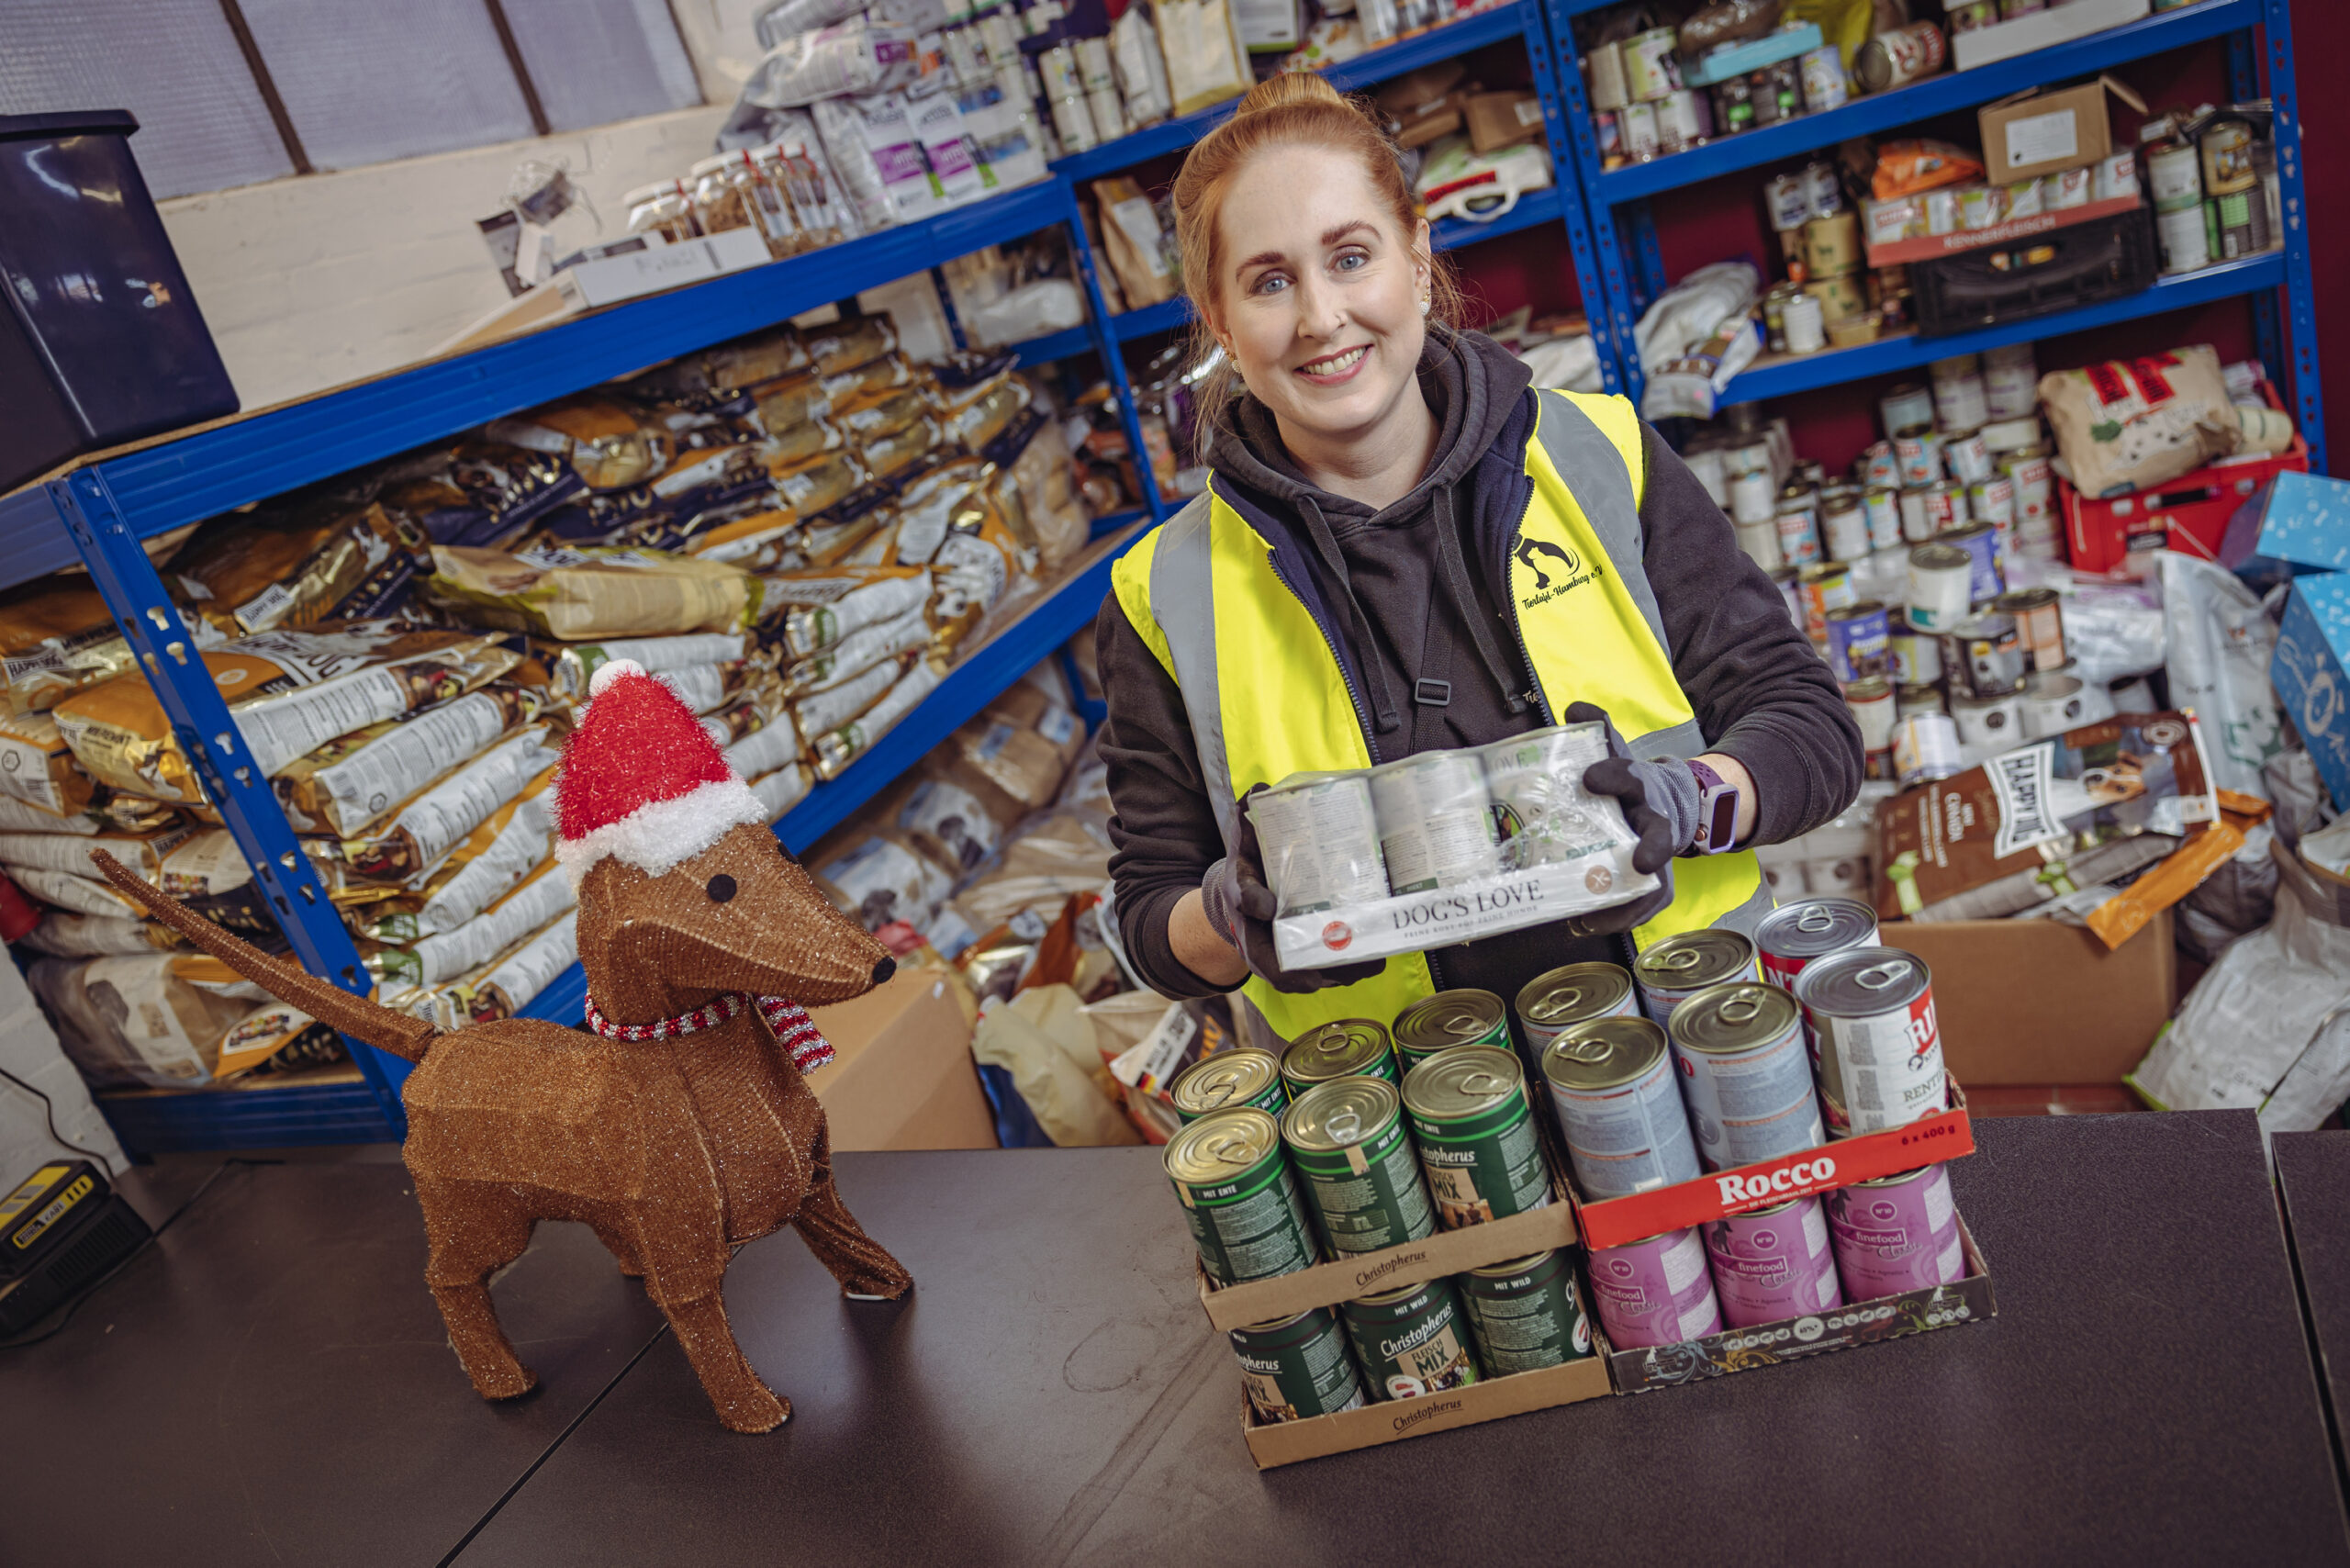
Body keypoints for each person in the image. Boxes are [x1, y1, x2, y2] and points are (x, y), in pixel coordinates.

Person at [1095, 73, 1863, 1046]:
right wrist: (1232, 914)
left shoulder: (1598, 457)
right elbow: (1146, 918)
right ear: (1219, 320)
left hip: (1699, 1048)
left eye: (1350, 257)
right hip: (1396, 1132)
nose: (1322, 316)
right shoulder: (1164, 591)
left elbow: (1813, 731)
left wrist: (1696, 797)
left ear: (1416, 259)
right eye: (1269, 280)